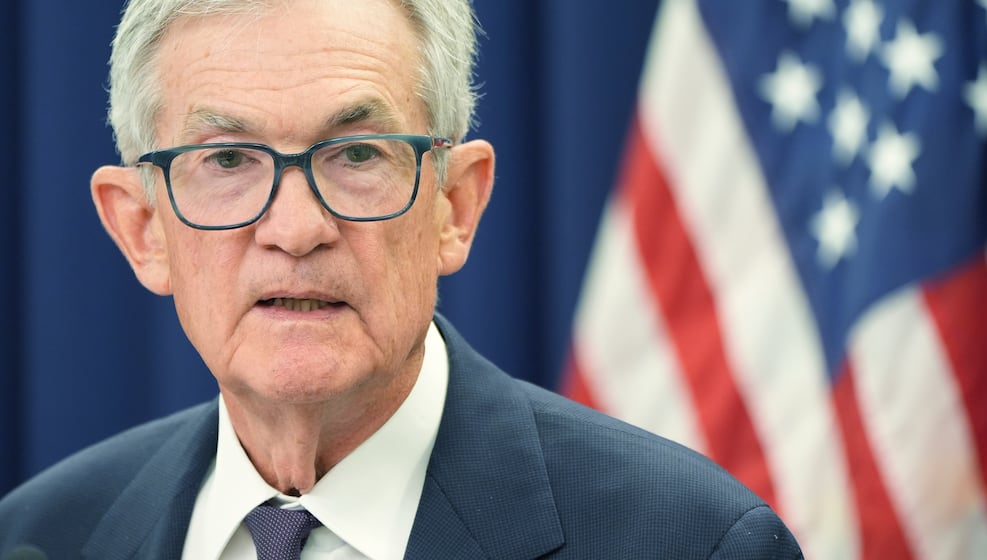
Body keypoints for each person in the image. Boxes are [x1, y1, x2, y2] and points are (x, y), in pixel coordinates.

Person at [0, 0, 803, 558]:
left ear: (454, 206)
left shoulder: (690, 542)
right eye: (229, 161)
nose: (296, 229)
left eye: (356, 155)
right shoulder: (41, 535)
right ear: (143, 229)